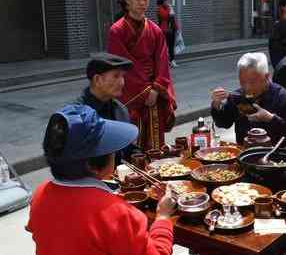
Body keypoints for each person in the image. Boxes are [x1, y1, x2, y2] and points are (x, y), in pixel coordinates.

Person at [27, 105, 176, 255]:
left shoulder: (40, 194)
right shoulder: (120, 215)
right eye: (110, 148)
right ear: (92, 165)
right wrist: (163, 216)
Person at [108, 0, 176, 152]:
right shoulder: (116, 31)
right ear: (127, 0)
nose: (142, 3)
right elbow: (120, 65)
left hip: (154, 92)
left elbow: (163, 62)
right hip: (131, 93)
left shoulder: (156, 31)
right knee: (131, 145)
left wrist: (156, 88)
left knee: (154, 147)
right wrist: (146, 91)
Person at [211, 53, 286, 145]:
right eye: (242, 82)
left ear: (267, 76)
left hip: (275, 154)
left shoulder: (283, 97)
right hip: (244, 152)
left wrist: (271, 119)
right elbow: (224, 123)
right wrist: (216, 105)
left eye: (252, 82)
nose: (247, 87)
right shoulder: (238, 95)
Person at [76, 54, 140, 165]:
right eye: (116, 76)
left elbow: (128, 149)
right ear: (97, 80)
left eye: (123, 76)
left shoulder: (120, 110)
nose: (122, 82)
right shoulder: (76, 114)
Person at [157, 0, 178, 68]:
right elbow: (164, 16)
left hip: (172, 29)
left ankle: (172, 60)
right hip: (164, 30)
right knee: (164, 46)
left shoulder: (169, 8)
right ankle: (165, 62)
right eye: (167, 0)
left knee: (171, 46)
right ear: (164, 1)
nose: (169, 2)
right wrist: (170, 10)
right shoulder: (160, 8)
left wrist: (177, 27)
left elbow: (173, 18)